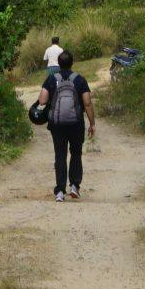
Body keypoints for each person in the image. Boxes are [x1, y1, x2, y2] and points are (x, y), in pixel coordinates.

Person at [41, 52, 94, 201]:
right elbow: (87, 103)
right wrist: (92, 123)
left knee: (60, 155)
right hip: (76, 123)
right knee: (76, 153)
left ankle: (59, 191)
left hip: (57, 124)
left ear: (58, 63)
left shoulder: (52, 79)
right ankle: (75, 186)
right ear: (72, 62)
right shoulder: (80, 80)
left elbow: (42, 100)